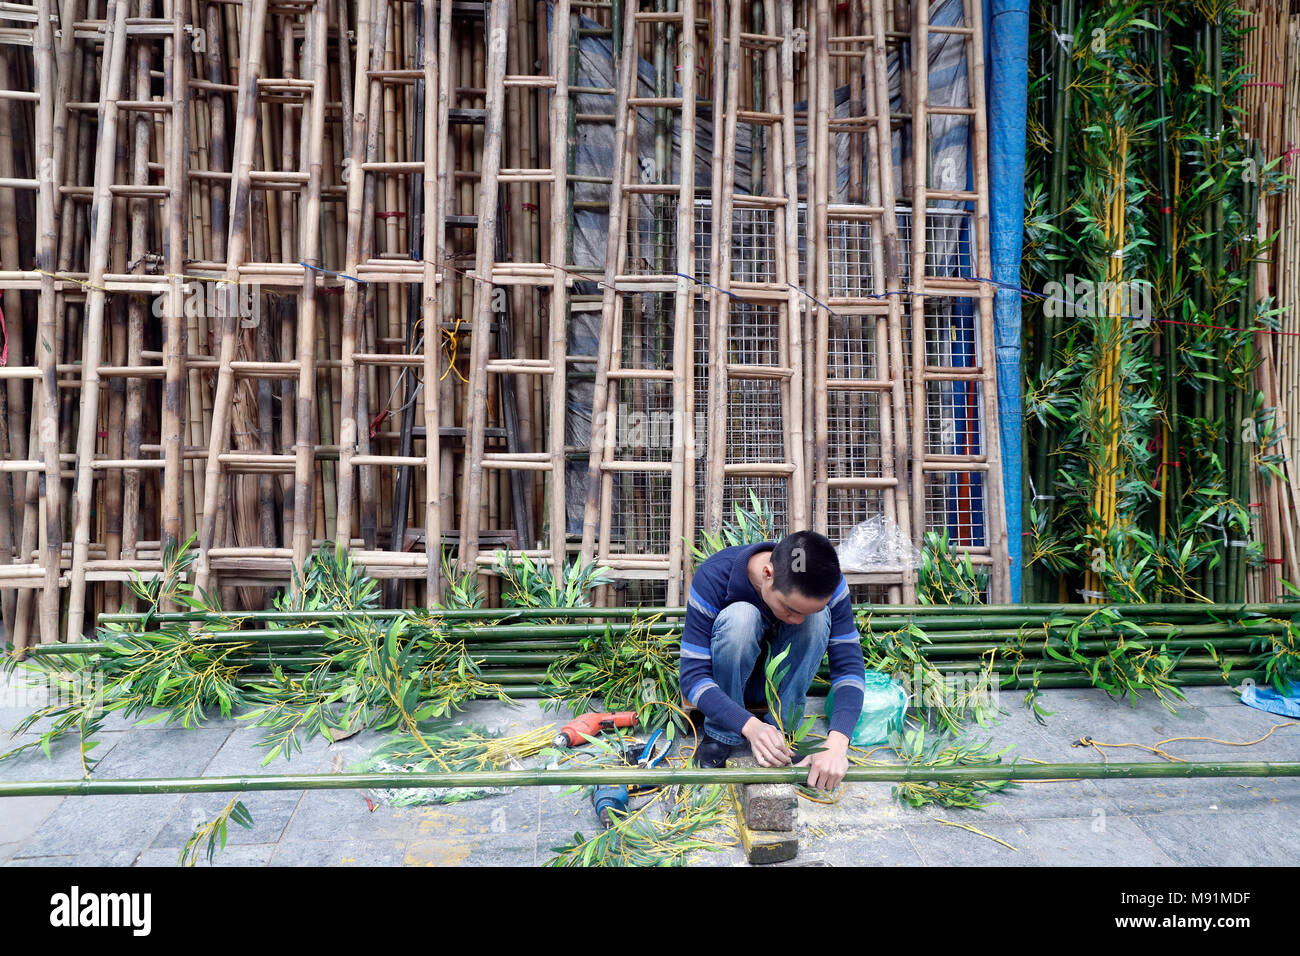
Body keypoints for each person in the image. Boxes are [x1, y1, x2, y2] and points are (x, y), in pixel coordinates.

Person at [679, 530, 865, 789]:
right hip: (726, 691)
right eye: (790, 608)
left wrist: (837, 741)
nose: (798, 619)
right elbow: (692, 678)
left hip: (780, 691)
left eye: (806, 610)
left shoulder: (827, 584)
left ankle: (784, 731)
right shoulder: (714, 576)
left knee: (818, 619)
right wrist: (749, 726)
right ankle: (721, 733)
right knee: (740, 618)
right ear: (767, 574)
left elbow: (849, 668)